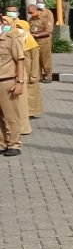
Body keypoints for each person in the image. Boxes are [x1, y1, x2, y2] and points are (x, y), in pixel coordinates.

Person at [0, 15, 27, 156]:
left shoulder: (12, 39)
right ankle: (2, 143)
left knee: (11, 116)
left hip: (7, 81)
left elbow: (20, 61)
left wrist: (20, 82)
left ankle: (14, 144)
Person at [28, 0, 52, 98]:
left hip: (43, 42)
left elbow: (48, 31)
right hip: (34, 43)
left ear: (36, 10)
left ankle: (48, 76)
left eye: (31, 12)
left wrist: (37, 35)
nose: (30, 14)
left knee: (45, 60)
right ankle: (38, 76)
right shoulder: (30, 21)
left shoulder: (45, 18)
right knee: (36, 61)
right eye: (29, 13)